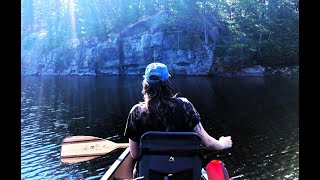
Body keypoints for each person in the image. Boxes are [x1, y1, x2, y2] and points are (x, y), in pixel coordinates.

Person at [124, 62, 232, 175]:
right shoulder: (185, 106)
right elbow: (208, 143)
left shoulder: (136, 112)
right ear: (167, 83)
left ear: (146, 84)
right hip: (185, 175)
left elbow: (135, 154)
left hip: (151, 175)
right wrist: (222, 144)